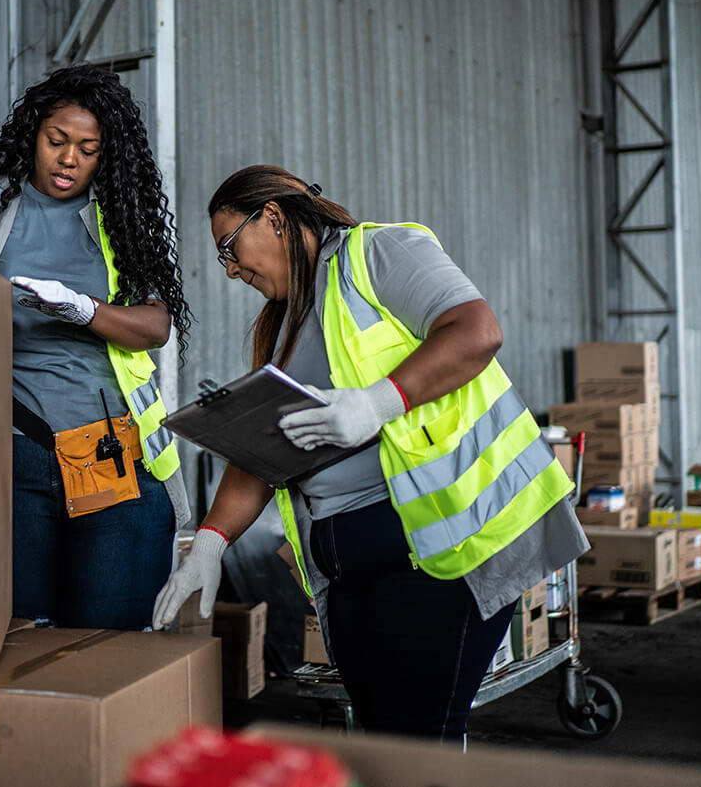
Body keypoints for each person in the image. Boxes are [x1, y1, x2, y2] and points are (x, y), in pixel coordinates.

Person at [153, 165, 587, 742]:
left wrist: (379, 402)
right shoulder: (284, 325)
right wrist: (211, 541)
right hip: (347, 567)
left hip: (436, 550)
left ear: (276, 218)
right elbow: (263, 451)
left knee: (417, 741)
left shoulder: (378, 254)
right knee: (382, 741)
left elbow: (475, 330)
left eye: (231, 248)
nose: (232, 271)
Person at [0, 63, 192, 630]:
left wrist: (86, 311)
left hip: (113, 458)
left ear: (106, 155)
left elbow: (155, 325)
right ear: (34, 134)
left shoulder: (120, 217)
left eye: (88, 148)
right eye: (57, 141)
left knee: (109, 649)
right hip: (12, 453)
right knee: (22, 646)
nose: (69, 159)